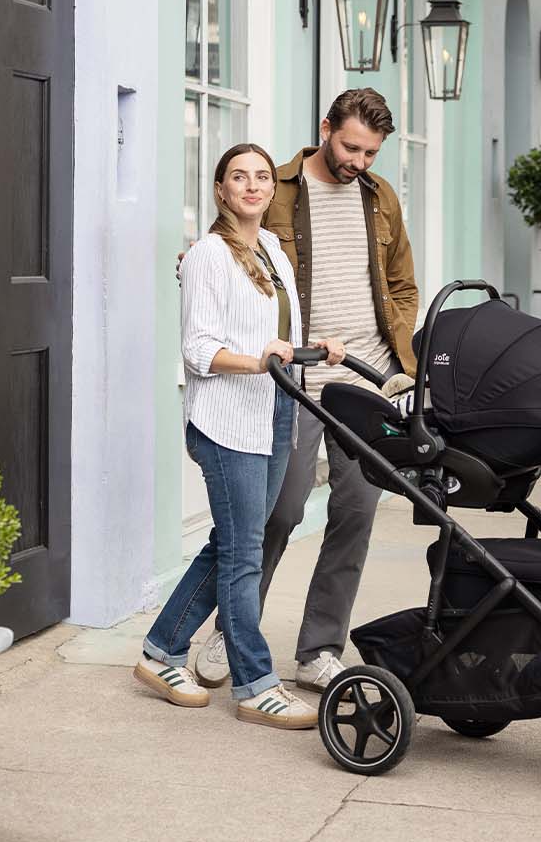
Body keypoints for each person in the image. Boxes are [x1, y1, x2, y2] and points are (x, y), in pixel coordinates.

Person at [195, 88, 418, 694]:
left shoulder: (381, 199)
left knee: (354, 516)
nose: (359, 162)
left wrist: (399, 358)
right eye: (350, 146)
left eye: (371, 153)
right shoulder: (282, 189)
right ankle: (234, 629)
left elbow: (402, 285)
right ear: (325, 129)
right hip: (296, 380)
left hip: (365, 382)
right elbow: (235, 253)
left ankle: (319, 648)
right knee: (279, 510)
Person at [134, 143, 345, 729]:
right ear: (220, 191)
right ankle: (255, 684)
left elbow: (274, 335)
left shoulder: (272, 249)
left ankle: (161, 650)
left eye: (260, 177)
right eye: (238, 177)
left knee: (231, 544)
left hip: (275, 411)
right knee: (245, 553)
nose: (252, 186)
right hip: (227, 421)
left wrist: (312, 347)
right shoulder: (206, 255)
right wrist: (261, 362)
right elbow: (199, 350)